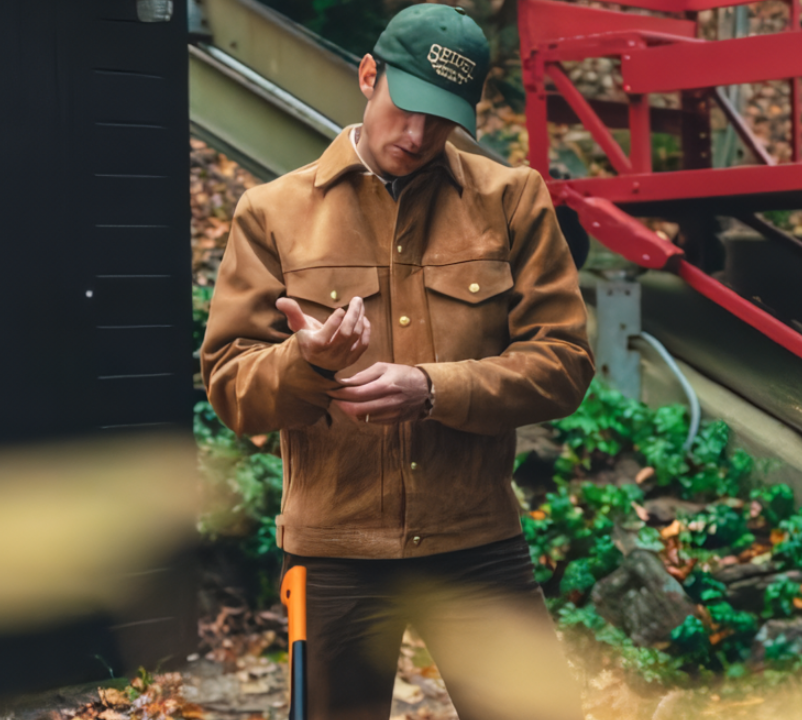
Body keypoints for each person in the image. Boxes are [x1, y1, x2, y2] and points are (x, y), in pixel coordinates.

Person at [201, 4, 593, 718]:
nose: (418, 136)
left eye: (442, 119)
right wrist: (306, 364)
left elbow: (564, 362)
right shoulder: (271, 213)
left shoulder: (512, 200)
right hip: (333, 553)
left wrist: (431, 388)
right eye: (407, 108)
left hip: (477, 542)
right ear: (369, 75)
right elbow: (231, 388)